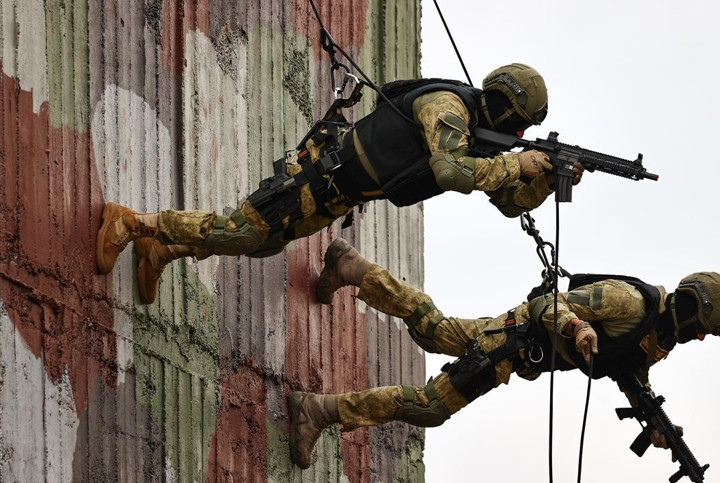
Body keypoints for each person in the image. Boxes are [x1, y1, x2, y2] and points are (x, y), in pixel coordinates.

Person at [95, 63, 583, 303]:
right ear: (502, 104)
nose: (518, 138)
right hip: (320, 171)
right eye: (517, 125)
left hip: (340, 192)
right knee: (242, 230)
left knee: (260, 244)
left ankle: (164, 250)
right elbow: (450, 173)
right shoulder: (450, 110)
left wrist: (541, 178)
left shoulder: (481, 140)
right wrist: (519, 163)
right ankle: (134, 223)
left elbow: (507, 203)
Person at [288, 238, 720, 469]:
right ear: (693, 306)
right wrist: (577, 328)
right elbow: (549, 304)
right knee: (431, 407)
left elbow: (627, 372)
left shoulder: (656, 340)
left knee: (433, 330)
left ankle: (350, 266)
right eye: (701, 330)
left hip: (518, 345)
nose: (697, 339)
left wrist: (653, 419)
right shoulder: (631, 302)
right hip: (516, 342)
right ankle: (318, 410)